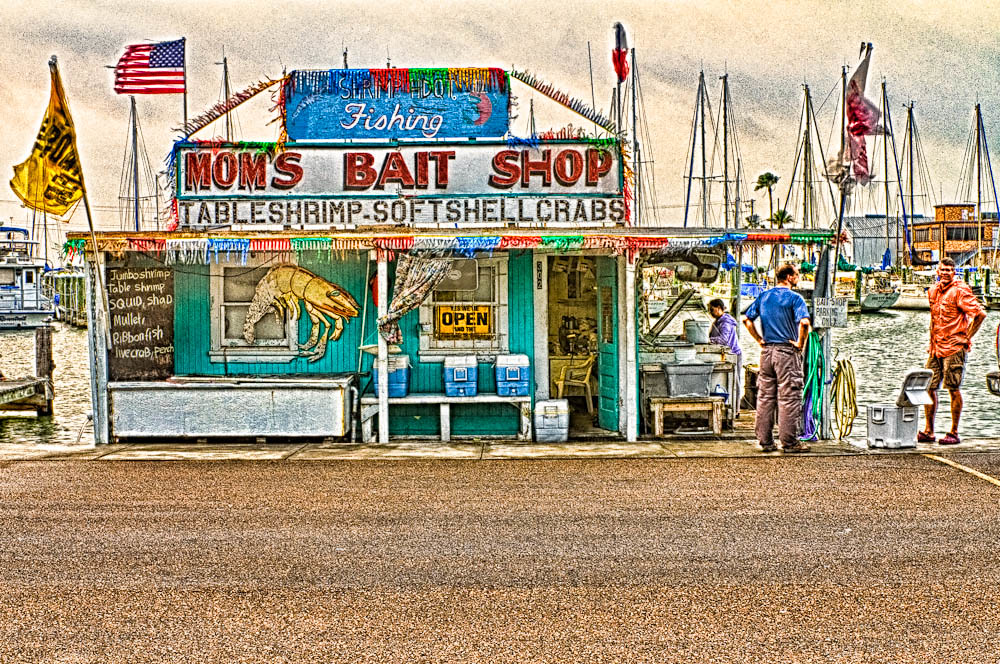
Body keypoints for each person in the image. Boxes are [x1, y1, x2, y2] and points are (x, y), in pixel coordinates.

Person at [743, 262, 812, 453]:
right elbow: (804, 323)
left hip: (766, 353)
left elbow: (747, 319)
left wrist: (759, 339)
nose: (798, 278)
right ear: (789, 277)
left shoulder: (764, 296)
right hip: (786, 353)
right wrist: (800, 343)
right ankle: (789, 443)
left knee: (765, 397)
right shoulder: (795, 298)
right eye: (797, 275)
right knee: (789, 398)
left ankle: (765, 442)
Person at [919, 258, 986, 445]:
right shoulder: (932, 291)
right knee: (929, 387)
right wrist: (931, 342)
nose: (946, 272)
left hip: (954, 348)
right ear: (938, 271)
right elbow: (934, 319)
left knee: (953, 388)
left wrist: (966, 338)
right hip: (935, 347)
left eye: (949, 270)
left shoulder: (960, 290)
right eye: (943, 269)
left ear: (954, 272)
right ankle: (928, 430)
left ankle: (954, 432)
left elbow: (980, 314)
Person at [707, 298, 742, 404]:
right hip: (725, 355)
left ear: (718, 308)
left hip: (733, 354)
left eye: (712, 310)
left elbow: (723, 340)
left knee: (734, 383)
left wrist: (708, 340)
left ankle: (735, 408)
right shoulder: (717, 322)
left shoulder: (725, 322)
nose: (710, 312)